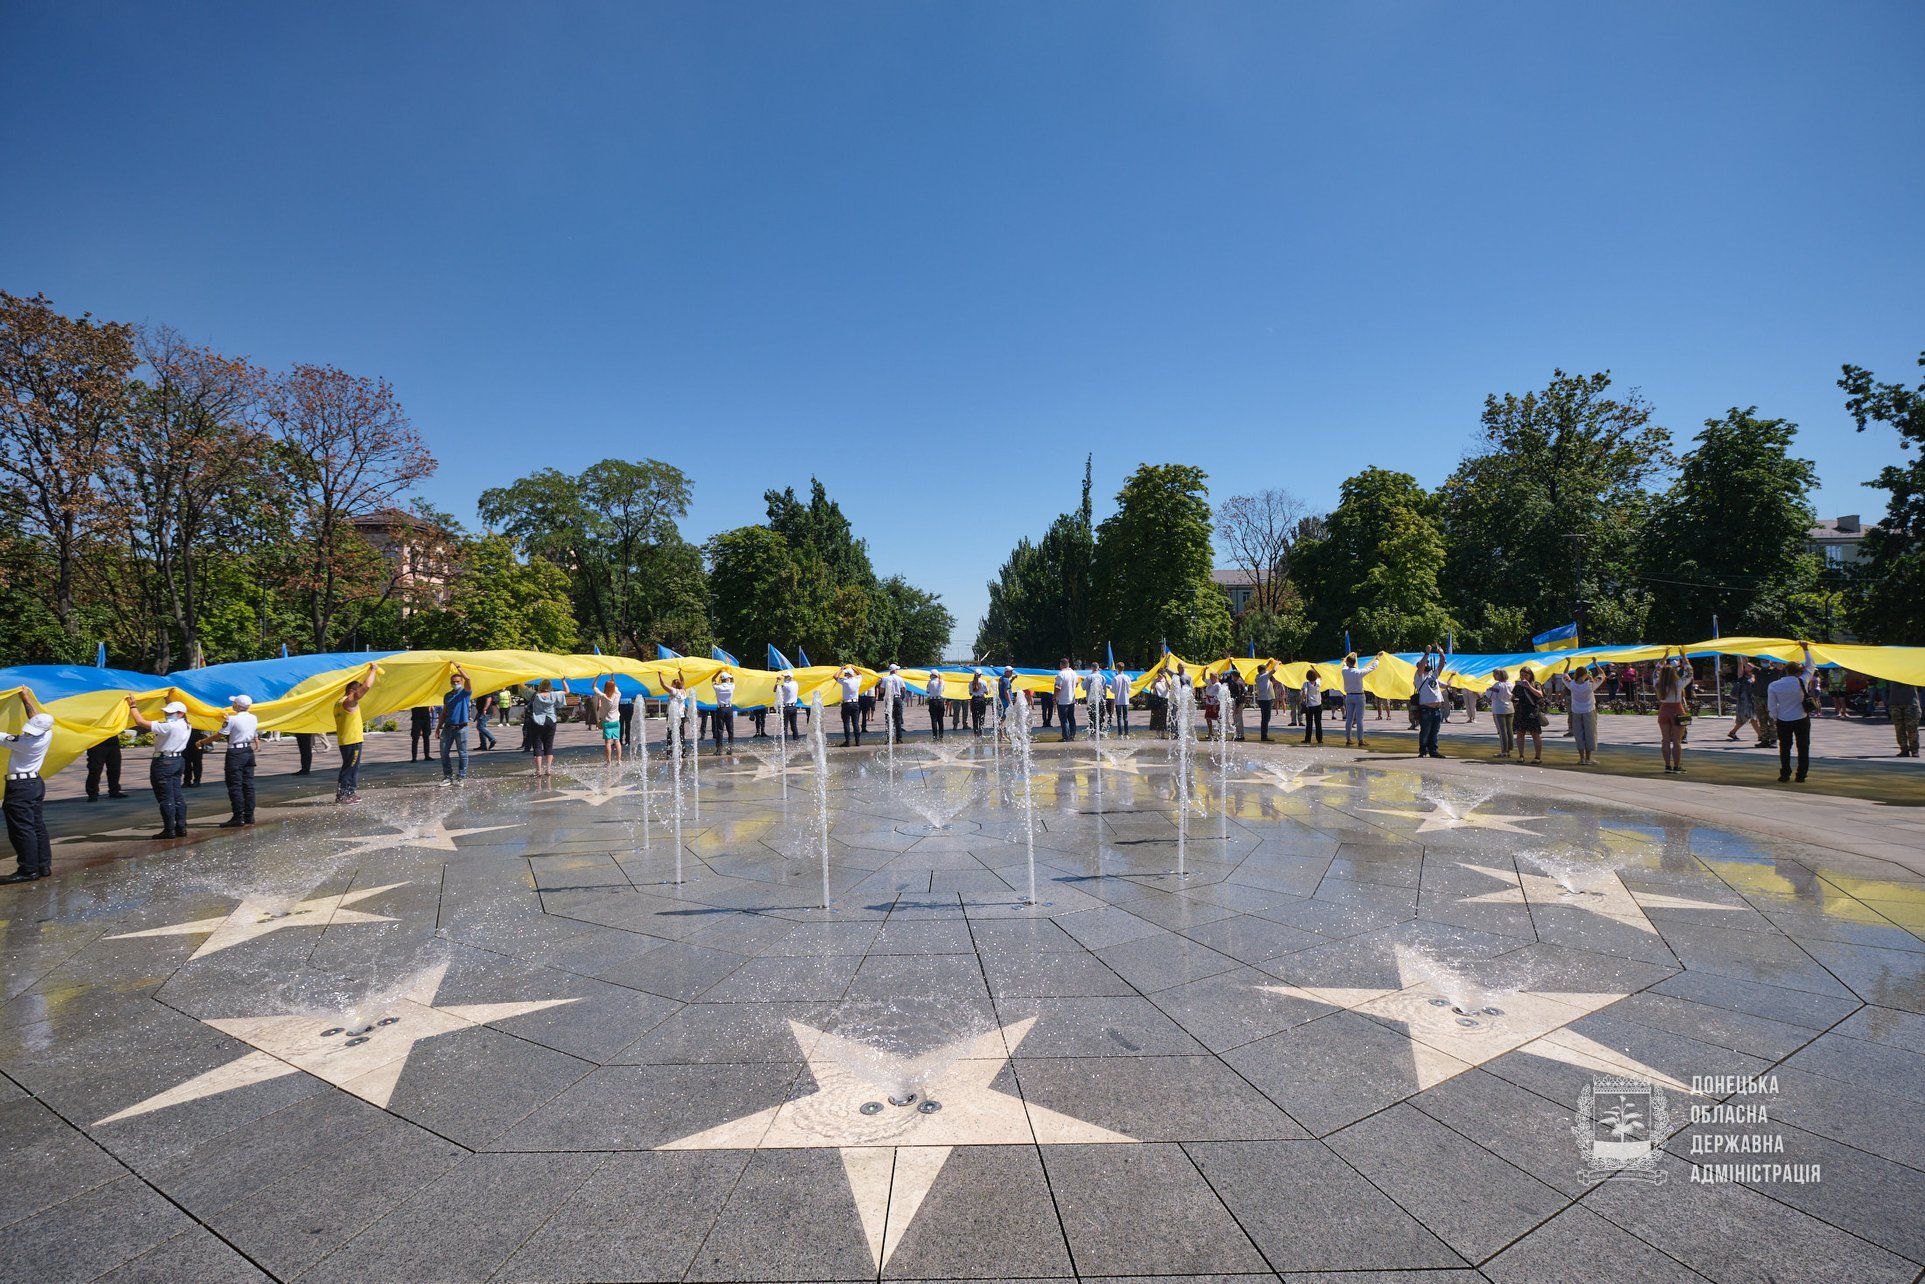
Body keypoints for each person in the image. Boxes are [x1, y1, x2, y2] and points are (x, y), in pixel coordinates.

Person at [0, 691, 56, 883]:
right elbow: (35, 717)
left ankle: (28, 869)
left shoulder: (23, 742)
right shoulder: (47, 733)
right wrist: (25, 699)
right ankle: (43, 865)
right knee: (36, 825)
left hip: (20, 787)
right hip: (34, 784)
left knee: (21, 828)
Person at [126, 694, 192, 837]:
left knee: (165, 797)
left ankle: (169, 830)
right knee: (177, 795)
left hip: (164, 763)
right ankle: (181, 827)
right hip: (178, 761)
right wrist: (168, 700)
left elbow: (140, 721)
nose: (166, 714)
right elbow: (176, 712)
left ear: (180, 714)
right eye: (166, 711)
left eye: (170, 712)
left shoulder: (168, 726)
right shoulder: (187, 724)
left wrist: (133, 706)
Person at [214, 694, 259, 827]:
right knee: (248, 785)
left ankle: (238, 816)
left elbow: (221, 734)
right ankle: (249, 816)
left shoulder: (232, 719)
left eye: (234, 703)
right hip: (248, 751)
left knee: (235, 785)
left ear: (237, 706)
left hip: (235, 753)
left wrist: (202, 742)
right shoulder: (253, 717)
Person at [1767, 659, 1816, 783]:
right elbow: (1811, 666)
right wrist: (1806, 649)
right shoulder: (1802, 681)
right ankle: (1801, 775)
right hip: (1801, 717)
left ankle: (1785, 774)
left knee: (1784, 747)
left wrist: (1775, 717)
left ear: (1786, 670)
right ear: (1800, 671)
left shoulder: (1774, 685)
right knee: (1803, 747)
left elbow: (1772, 705)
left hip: (1783, 719)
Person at [438, 663, 473, 786]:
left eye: (458, 681)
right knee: (443, 752)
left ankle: (461, 777)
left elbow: (468, 679)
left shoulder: (465, 693)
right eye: (453, 681)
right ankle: (448, 777)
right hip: (448, 727)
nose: (455, 683)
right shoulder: (447, 695)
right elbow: (444, 712)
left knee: (462, 753)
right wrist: (438, 727)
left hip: (461, 728)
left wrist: (458, 667)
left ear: (461, 682)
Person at [1654, 653, 1689, 774]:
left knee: (1665, 740)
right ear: (1674, 673)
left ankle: (1667, 766)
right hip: (1678, 710)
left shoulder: (1658, 684)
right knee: (1677, 741)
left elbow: (1656, 670)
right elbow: (1690, 672)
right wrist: (1684, 657)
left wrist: (1664, 657)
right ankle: (1677, 766)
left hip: (1663, 711)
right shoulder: (1679, 684)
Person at [1412, 646, 1447, 759]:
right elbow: (1421, 667)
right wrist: (1426, 653)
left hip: (1437, 709)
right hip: (1426, 709)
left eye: (1427, 663)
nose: (1426, 664)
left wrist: (1441, 654)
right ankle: (1423, 751)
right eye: (1424, 663)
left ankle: (1433, 751)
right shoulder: (1419, 677)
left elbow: (1441, 665)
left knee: (1434, 732)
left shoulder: (1433, 676)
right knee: (1425, 731)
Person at [527, 678, 562, 783]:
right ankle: (548, 769)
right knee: (549, 745)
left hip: (537, 721)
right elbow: (567, 691)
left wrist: (521, 680)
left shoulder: (535, 695)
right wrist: (563, 680)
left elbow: (522, 689)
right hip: (551, 721)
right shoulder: (554, 694)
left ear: (540, 686)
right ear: (550, 686)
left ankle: (538, 771)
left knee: (537, 746)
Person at [1512, 666, 1546, 764]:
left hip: (1532, 712)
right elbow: (1513, 697)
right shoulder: (1518, 686)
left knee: (1535, 734)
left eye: (1526, 675)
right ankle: (1521, 755)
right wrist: (1514, 701)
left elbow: (1540, 694)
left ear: (1530, 675)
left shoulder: (1536, 684)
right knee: (1520, 733)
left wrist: (1529, 687)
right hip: (1521, 711)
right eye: (1522, 675)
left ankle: (1537, 757)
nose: (1523, 677)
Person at [1567, 665, 1599, 766]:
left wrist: (1568, 663)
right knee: (1590, 734)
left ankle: (1581, 759)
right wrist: (1596, 663)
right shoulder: (1590, 684)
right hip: (1589, 711)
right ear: (1585, 674)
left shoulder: (1571, 684)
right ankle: (1588, 758)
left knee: (1579, 735)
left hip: (1576, 712)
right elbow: (1602, 675)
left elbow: (1564, 674)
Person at [1728, 657, 1760, 743]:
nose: (1748, 666)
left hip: (1753, 701)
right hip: (1744, 701)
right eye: (1747, 665)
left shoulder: (1755, 675)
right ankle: (1760, 736)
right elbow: (1740, 664)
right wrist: (1740, 655)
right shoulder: (1742, 676)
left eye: (1750, 665)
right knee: (1748, 718)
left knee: (1749, 719)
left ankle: (1732, 732)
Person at [85, 733, 125, 801]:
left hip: (112, 739)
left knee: (115, 767)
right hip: (96, 740)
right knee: (95, 768)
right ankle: (92, 793)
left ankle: (114, 791)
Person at [593, 677, 623, 764]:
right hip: (616, 721)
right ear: (614, 688)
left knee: (607, 742)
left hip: (606, 722)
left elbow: (594, 687)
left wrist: (597, 677)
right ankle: (619, 760)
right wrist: (612, 676)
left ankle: (609, 761)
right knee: (617, 741)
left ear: (605, 688)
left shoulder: (603, 696)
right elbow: (615, 686)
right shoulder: (618, 695)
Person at [1341, 654, 1368, 748]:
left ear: (1348, 662)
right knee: (1359, 719)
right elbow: (1372, 668)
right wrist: (1377, 659)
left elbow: (1344, 665)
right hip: (1359, 696)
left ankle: (1348, 739)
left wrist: (1344, 661)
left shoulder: (1344, 671)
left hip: (1349, 696)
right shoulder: (1358, 672)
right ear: (1355, 662)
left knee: (1349, 718)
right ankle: (1360, 740)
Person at [1488, 668, 1515, 759]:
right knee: (1509, 730)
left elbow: (1491, 696)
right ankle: (1509, 749)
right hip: (1510, 708)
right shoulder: (1511, 684)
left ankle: (1504, 751)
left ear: (1499, 675)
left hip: (1499, 709)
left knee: (1502, 731)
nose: (1493, 676)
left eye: (1495, 674)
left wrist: (1488, 690)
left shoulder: (1497, 685)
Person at [1890, 681, 1920, 758]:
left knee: (1912, 728)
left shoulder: (1912, 671)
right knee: (1899, 729)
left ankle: (1914, 750)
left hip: (1910, 703)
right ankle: (1904, 749)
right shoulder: (1891, 672)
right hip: (1895, 703)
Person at [710, 670, 737, 752]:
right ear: (727, 679)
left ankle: (719, 749)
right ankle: (730, 748)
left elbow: (713, 679)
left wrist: (718, 672)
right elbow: (733, 680)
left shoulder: (718, 687)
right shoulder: (731, 686)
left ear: (721, 679)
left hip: (720, 709)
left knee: (719, 729)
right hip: (729, 709)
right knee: (730, 729)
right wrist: (730, 674)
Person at [838, 666, 863, 747]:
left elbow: (835, 676)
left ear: (848, 674)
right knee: (855, 723)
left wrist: (840, 669)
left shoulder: (845, 681)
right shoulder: (857, 680)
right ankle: (857, 741)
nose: (844, 674)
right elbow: (859, 673)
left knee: (846, 723)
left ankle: (847, 741)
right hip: (855, 704)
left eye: (846, 673)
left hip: (847, 704)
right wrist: (853, 667)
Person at [1055, 659, 1078, 742]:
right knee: (1071, 718)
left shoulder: (1061, 674)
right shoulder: (1074, 673)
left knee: (1064, 719)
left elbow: (1057, 688)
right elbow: (1076, 684)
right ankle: (1072, 735)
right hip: (1071, 699)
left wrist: (1055, 697)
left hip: (1062, 700)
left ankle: (1066, 736)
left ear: (1062, 664)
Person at [1224, 663, 1248, 742]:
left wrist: (1237, 706)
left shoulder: (1237, 683)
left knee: (1238, 719)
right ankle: (1238, 734)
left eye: (1232, 675)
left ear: (1234, 676)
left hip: (1238, 703)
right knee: (1237, 719)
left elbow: (1238, 695)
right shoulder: (1240, 682)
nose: (1231, 677)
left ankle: (1240, 735)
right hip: (1238, 703)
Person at [1300, 670, 1324, 744]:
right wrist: (1315, 669)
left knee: (1309, 723)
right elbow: (1320, 676)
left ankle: (1308, 739)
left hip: (1310, 706)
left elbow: (1305, 693)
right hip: (1318, 705)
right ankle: (1319, 739)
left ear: (1307, 676)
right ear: (1315, 676)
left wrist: (1302, 698)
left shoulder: (1306, 684)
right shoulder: (1318, 682)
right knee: (1318, 723)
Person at [777, 671, 801, 740]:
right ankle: (796, 739)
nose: (784, 678)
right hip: (794, 707)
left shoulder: (785, 685)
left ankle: (784, 741)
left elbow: (775, 689)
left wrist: (777, 681)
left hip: (786, 708)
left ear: (789, 677)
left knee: (784, 726)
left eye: (786, 676)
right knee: (794, 725)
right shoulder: (796, 684)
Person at [1109, 666, 1131, 737]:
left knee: (1119, 717)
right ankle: (1127, 734)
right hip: (1125, 700)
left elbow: (1113, 690)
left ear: (1117, 669)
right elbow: (1128, 689)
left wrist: (1110, 688)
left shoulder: (1115, 678)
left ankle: (1120, 734)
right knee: (1126, 717)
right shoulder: (1127, 677)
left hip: (1118, 700)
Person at [1148, 668, 1170, 736]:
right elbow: (1151, 687)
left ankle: (1163, 733)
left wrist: (1166, 679)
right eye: (1160, 672)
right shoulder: (1155, 679)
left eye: (1162, 672)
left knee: (1163, 716)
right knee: (1156, 717)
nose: (1161, 674)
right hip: (1156, 699)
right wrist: (1157, 680)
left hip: (1164, 700)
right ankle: (1157, 734)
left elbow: (1170, 687)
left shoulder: (1166, 680)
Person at [926, 669, 946, 740]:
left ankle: (935, 736)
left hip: (933, 701)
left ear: (933, 675)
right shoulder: (942, 681)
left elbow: (927, 691)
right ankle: (941, 735)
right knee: (940, 719)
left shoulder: (930, 682)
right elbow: (943, 690)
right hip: (940, 701)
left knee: (934, 719)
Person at [969, 669, 990, 735]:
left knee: (975, 717)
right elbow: (986, 693)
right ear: (981, 675)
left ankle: (975, 733)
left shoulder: (971, 683)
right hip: (981, 700)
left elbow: (970, 694)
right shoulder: (984, 682)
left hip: (974, 700)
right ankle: (981, 733)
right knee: (981, 717)